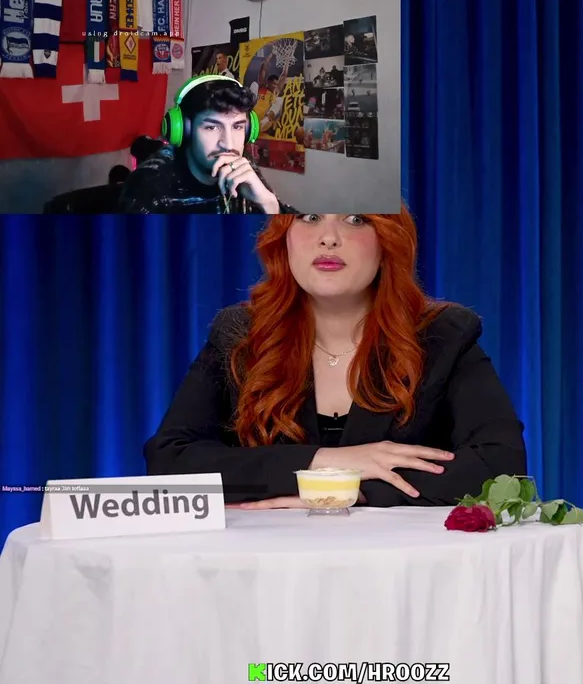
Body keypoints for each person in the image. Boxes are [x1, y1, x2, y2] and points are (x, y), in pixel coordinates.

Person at [143, 209, 528, 508]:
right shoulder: (239, 335)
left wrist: (346, 493)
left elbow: (501, 467)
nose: (328, 238)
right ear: (284, 238)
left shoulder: (443, 336)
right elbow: (170, 461)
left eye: (356, 219)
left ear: (387, 240)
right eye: (309, 217)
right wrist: (324, 463)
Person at [119, 76, 289, 214]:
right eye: (212, 127)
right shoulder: (149, 185)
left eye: (237, 127)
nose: (228, 144)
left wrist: (269, 204)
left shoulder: (241, 164)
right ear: (184, 131)